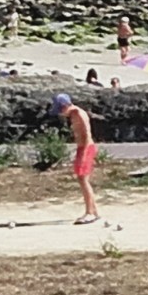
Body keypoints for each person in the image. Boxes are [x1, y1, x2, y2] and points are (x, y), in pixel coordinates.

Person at [54, 94, 99, 225]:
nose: (61, 114)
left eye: (60, 110)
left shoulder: (79, 114)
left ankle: (90, 213)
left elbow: (85, 135)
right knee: (82, 179)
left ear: (65, 106)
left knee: (83, 179)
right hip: (82, 148)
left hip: (86, 148)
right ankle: (94, 211)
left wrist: (83, 154)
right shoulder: (73, 115)